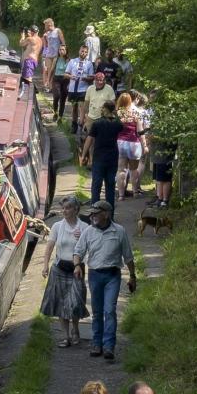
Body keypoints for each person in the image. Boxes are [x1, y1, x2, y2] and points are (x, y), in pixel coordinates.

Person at [75, 199, 138, 360]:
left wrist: (132, 276)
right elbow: (78, 252)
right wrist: (76, 265)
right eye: (92, 214)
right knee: (97, 312)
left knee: (109, 310)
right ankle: (97, 344)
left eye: (96, 213)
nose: (93, 216)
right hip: (95, 275)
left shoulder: (119, 231)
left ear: (106, 214)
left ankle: (109, 346)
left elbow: (128, 257)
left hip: (112, 275)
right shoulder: (88, 232)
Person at [41, 197, 91, 347]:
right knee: (60, 304)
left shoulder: (84, 227)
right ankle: (66, 336)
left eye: (68, 208)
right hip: (59, 268)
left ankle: (75, 330)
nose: (64, 211)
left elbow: (90, 249)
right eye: (63, 208)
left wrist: (81, 238)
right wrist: (45, 265)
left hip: (77, 270)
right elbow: (50, 246)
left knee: (75, 302)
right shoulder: (57, 226)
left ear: (76, 209)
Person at [80, 102, 122, 209]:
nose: (101, 109)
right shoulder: (118, 124)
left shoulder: (97, 124)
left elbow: (89, 140)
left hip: (99, 157)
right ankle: (110, 214)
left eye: (103, 108)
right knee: (110, 186)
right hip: (113, 157)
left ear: (106, 109)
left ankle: (95, 210)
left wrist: (83, 155)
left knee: (96, 185)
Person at [114, 93, 145, 198]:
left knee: (121, 170)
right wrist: (144, 145)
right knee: (134, 169)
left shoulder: (117, 114)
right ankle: (135, 192)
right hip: (134, 144)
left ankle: (121, 195)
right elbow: (140, 132)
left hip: (120, 143)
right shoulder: (135, 113)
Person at [67, 47, 97, 133]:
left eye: (85, 52)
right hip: (73, 89)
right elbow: (66, 74)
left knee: (82, 108)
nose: (83, 53)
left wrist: (85, 79)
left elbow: (92, 77)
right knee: (74, 108)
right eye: (82, 51)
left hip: (83, 89)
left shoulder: (89, 64)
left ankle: (81, 125)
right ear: (79, 51)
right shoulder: (72, 61)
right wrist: (70, 76)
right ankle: (74, 124)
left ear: (87, 53)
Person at [82, 67, 116, 136]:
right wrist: (84, 116)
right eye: (97, 80)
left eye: (101, 80)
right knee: (89, 137)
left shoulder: (109, 89)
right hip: (91, 117)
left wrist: (111, 118)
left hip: (104, 118)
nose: (99, 82)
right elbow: (86, 103)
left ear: (105, 81)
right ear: (94, 81)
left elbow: (113, 104)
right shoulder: (90, 88)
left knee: (100, 138)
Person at [41, 18, 66, 89]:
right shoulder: (47, 34)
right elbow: (46, 45)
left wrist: (64, 52)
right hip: (49, 54)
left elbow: (63, 42)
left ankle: (51, 85)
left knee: (53, 70)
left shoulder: (58, 31)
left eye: (45, 26)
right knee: (48, 70)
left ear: (50, 25)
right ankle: (49, 86)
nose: (45, 27)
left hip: (56, 54)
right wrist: (44, 38)